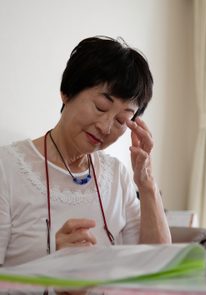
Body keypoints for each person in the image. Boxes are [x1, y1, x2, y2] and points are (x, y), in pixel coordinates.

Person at [0, 36, 171, 267]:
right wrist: (54, 280)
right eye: (101, 107)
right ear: (67, 91)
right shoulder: (7, 170)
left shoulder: (116, 175)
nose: (106, 127)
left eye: (122, 120)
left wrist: (146, 183)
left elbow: (156, 268)